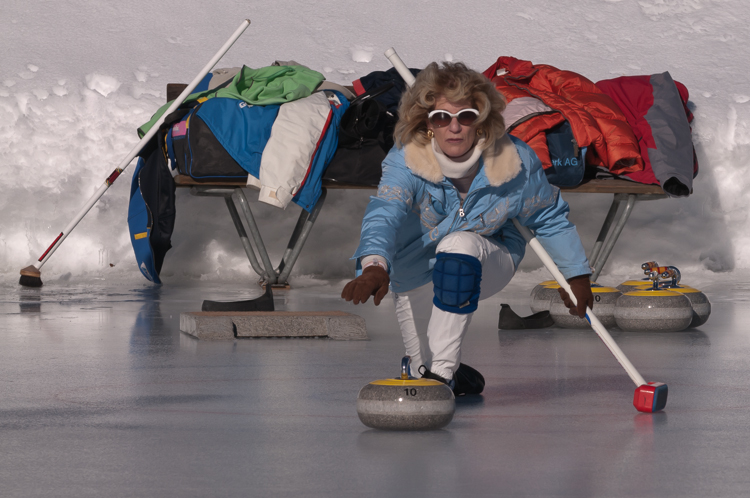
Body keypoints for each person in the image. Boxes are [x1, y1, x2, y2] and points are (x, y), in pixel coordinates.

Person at [341, 62, 593, 395]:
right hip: (415, 268)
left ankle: (443, 375)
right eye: (442, 118)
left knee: (458, 246)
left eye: (467, 116)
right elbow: (385, 211)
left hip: (485, 260)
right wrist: (374, 264)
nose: (454, 128)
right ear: (428, 124)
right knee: (421, 370)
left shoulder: (515, 161)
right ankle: (452, 376)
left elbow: (548, 217)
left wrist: (575, 275)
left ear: (482, 120)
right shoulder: (406, 161)